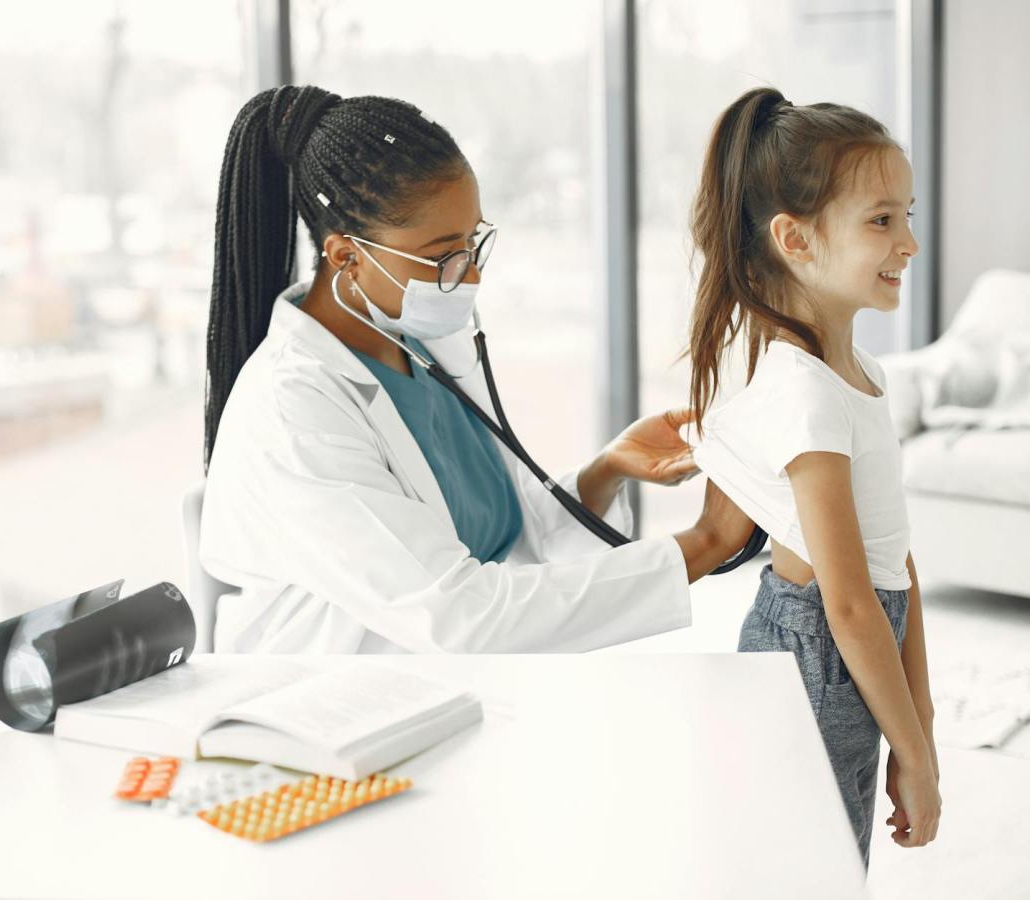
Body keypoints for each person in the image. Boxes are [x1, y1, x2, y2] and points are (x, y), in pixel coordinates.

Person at [200, 84, 752, 654]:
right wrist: (706, 542)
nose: (470, 277)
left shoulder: (417, 342)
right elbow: (459, 614)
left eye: (473, 243)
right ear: (347, 257)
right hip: (329, 709)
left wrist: (603, 472)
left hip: (456, 690)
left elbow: (496, 532)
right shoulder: (293, 408)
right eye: (443, 256)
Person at [687, 87, 940, 867]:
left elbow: (892, 564)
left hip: (852, 641)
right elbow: (851, 604)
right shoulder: (805, 393)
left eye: (907, 214)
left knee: (832, 857)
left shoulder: (856, 370)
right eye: (881, 220)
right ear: (795, 239)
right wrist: (921, 760)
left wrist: (918, 724)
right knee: (811, 867)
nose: (909, 242)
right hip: (818, 653)